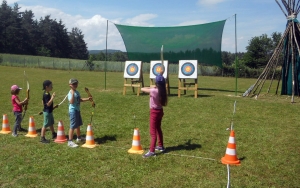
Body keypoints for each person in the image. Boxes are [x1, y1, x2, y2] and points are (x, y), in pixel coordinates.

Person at [141, 74, 168, 158]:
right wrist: (153, 87)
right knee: (158, 129)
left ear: (156, 83)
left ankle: (152, 151)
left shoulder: (153, 90)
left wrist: (151, 87)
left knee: (153, 133)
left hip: (154, 113)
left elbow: (142, 89)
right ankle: (160, 146)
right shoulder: (163, 90)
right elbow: (155, 89)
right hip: (160, 111)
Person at [67, 78, 92, 148]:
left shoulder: (77, 92)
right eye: (73, 84)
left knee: (78, 125)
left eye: (76, 83)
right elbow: (71, 102)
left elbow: (79, 99)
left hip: (77, 110)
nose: (75, 85)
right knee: (72, 126)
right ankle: (70, 141)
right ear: (70, 85)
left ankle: (79, 138)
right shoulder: (70, 93)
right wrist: (72, 94)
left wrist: (87, 99)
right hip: (73, 111)